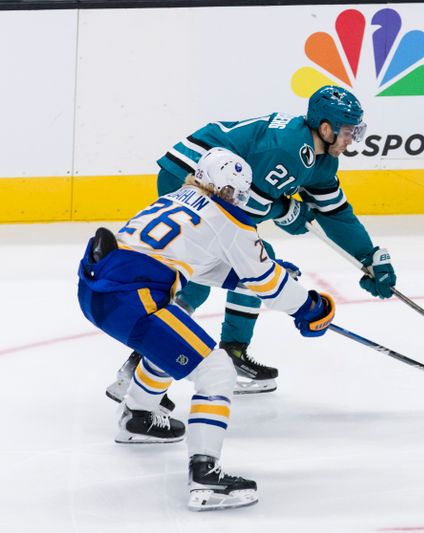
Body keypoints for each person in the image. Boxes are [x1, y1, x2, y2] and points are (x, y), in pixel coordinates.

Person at [77, 148, 335, 510]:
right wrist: (312, 306)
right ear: (231, 189)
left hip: (98, 286)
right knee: (216, 370)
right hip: (133, 298)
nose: (238, 200)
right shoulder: (230, 220)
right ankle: (205, 477)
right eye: (237, 193)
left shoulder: (176, 198)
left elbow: (196, 263)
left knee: (171, 342)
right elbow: (272, 287)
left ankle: (138, 417)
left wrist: (249, 277)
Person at [105, 85, 397, 401]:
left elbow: (335, 212)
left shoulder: (322, 159)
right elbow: (244, 206)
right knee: (229, 268)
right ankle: (140, 367)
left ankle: (229, 354)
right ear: (325, 128)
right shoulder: (287, 149)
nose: (352, 138)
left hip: (215, 181)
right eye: (348, 131)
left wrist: (368, 256)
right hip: (190, 176)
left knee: (248, 265)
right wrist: (284, 209)